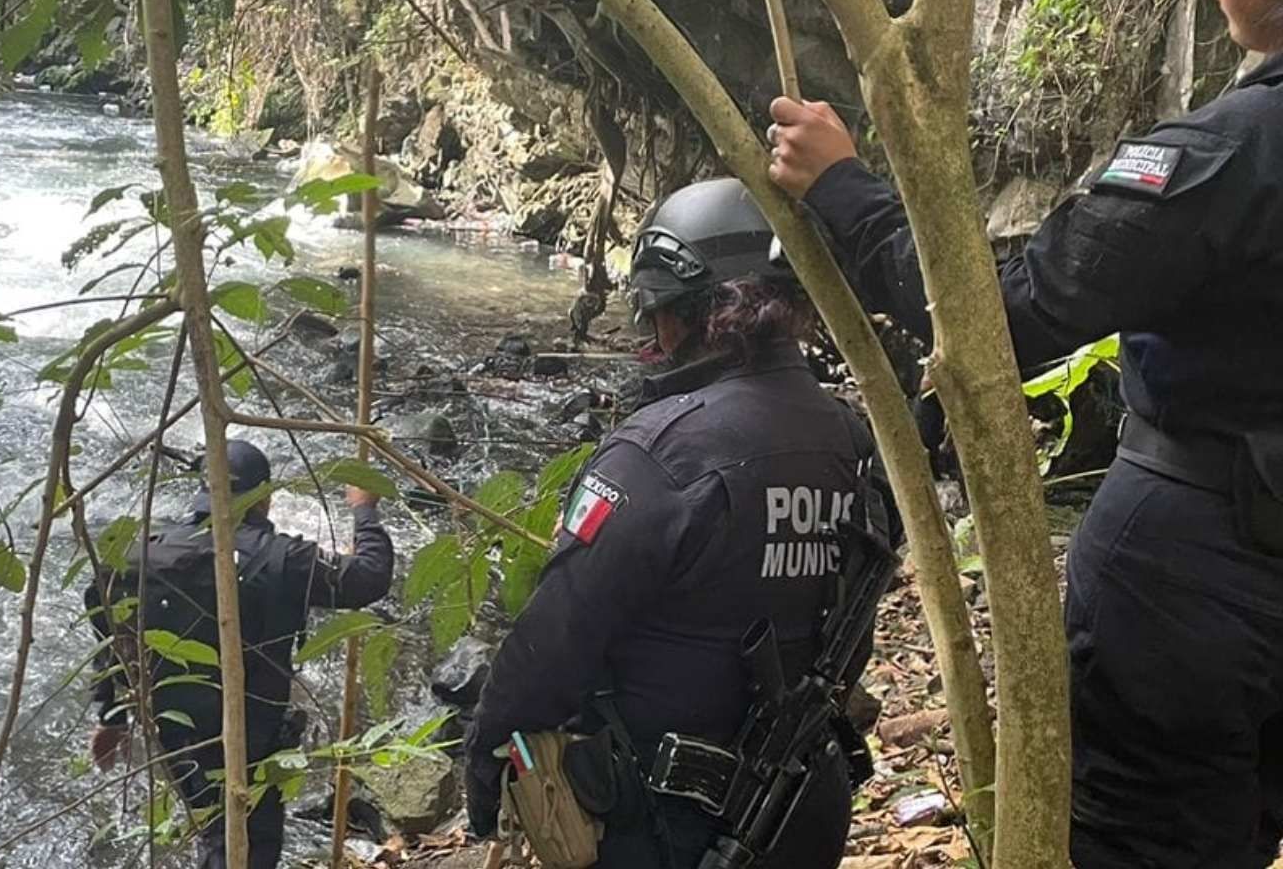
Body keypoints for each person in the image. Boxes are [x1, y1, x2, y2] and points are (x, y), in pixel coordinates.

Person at [765, 0, 1283, 864]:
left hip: (1194, 577)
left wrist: (846, 191)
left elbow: (1006, 312)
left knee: (1145, 840)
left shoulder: (1236, 155)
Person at [464, 178, 893, 867]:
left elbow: (552, 643)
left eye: (657, 315)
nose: (654, 338)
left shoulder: (660, 451)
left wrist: (486, 769)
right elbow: (852, 629)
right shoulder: (856, 439)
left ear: (692, 312)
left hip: (668, 827)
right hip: (803, 808)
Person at [85, 439, 394, 869]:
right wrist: (364, 508)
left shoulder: (137, 555)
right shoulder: (280, 559)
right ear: (264, 500)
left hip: (175, 727)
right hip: (252, 731)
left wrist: (110, 715)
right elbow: (369, 578)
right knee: (246, 842)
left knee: (214, 824)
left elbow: (108, 623)